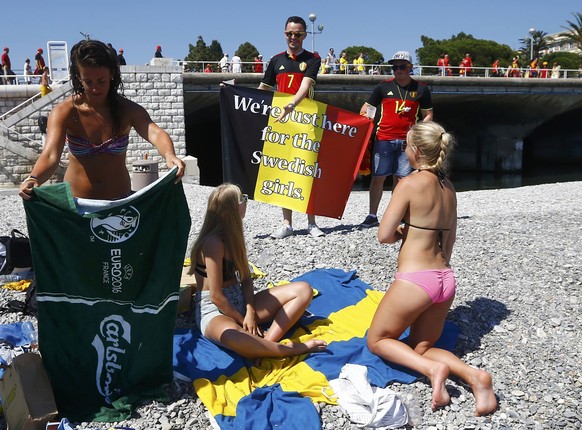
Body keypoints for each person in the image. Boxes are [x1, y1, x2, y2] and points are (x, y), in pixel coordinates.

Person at [367, 121, 497, 417]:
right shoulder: (448, 187)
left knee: (377, 340)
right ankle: (475, 376)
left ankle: (432, 369)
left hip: (416, 280)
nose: (404, 150)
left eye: (406, 145)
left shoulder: (408, 183)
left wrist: (403, 232)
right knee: (420, 345)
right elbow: (450, 238)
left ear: (414, 151)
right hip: (445, 279)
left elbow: (384, 235)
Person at [19, 39, 185, 201]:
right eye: (88, 81)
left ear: (112, 74)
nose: (95, 88)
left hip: (120, 203)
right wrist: (33, 179)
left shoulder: (127, 110)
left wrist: (170, 155)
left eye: (101, 80)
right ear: (78, 77)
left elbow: (154, 132)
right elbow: (50, 156)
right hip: (77, 206)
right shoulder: (64, 112)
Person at [189, 183, 327, 359]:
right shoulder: (213, 243)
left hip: (239, 300)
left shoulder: (234, 235)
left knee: (303, 290)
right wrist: (243, 320)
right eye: (243, 199)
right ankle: (292, 349)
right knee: (234, 337)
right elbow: (216, 296)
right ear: (234, 208)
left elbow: (246, 278)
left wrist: (250, 312)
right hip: (215, 309)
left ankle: (267, 344)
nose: (246, 203)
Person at [257, 15, 325, 239]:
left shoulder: (313, 59)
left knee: (307, 171)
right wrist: (235, 95)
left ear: (305, 35)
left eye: (297, 34)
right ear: (284, 34)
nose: (293, 37)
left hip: (306, 122)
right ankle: (287, 223)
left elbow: (305, 86)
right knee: (283, 171)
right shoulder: (276, 61)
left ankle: (312, 222)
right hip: (282, 122)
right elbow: (263, 89)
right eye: (289, 33)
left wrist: (292, 104)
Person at [359, 51, 433, 228]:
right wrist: (362, 121)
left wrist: (417, 134)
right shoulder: (383, 87)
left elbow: (428, 114)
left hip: (407, 143)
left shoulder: (421, 89)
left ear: (410, 67)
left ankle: (396, 215)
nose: (397, 70)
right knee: (378, 178)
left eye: (402, 66)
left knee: (401, 180)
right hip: (383, 139)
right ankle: (372, 215)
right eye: (394, 67)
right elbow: (368, 107)